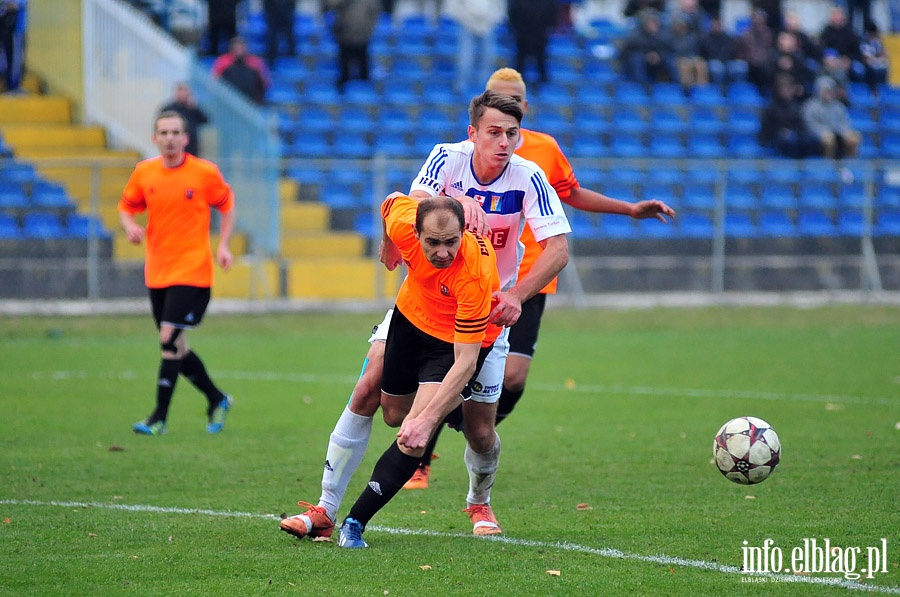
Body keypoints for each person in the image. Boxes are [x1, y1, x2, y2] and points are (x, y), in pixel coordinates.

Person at [279, 90, 571, 543]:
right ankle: (324, 509)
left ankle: (479, 501)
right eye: (493, 132)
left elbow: (558, 249)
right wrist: (397, 240)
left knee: (479, 430)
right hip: (418, 305)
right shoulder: (445, 158)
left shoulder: (529, 177)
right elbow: (407, 205)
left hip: (482, 313)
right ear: (472, 133)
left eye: (512, 133)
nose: (504, 142)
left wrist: (517, 293)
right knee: (369, 390)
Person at [404, 67, 675, 489]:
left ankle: (473, 423)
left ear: (524, 108)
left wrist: (629, 209)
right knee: (448, 368)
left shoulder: (541, 154)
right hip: (469, 283)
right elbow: (421, 201)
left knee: (512, 378)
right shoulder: (461, 154)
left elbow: (572, 193)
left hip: (529, 280)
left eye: (512, 103)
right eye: (495, 98)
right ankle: (424, 452)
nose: (504, 116)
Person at [331, 194, 503, 548]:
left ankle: (354, 523)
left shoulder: (474, 273)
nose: (443, 252)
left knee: (414, 431)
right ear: (415, 233)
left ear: (464, 232)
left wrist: (426, 421)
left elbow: (466, 361)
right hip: (410, 320)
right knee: (394, 415)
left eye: (451, 242)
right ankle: (450, 406)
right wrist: (387, 244)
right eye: (433, 243)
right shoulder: (403, 225)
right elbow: (391, 201)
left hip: (454, 342)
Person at [118, 111, 236, 436]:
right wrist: (130, 226)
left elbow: (227, 204)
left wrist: (223, 245)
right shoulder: (145, 172)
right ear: (155, 138)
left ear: (185, 138)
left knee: (168, 339)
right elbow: (126, 207)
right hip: (157, 272)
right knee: (176, 348)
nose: (169, 138)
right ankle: (217, 398)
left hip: (193, 272)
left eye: (175, 132)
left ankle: (159, 418)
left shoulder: (203, 173)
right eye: (163, 133)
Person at [445, 0, 506, 94]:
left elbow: (498, 6)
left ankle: (486, 86)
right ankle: (461, 86)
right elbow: (457, 5)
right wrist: (465, 18)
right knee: (465, 58)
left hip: (488, 25)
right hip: (467, 24)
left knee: (488, 57)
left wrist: (491, 20)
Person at [758, 73, 821, 159]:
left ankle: (806, 165)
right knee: (790, 141)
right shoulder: (770, 108)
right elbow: (766, 129)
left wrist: (798, 132)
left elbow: (800, 125)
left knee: (810, 140)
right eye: (785, 89)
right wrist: (780, 131)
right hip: (775, 138)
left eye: (789, 89)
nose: (788, 92)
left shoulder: (796, 106)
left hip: (795, 135)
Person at [326, 0, 380, 92]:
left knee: (363, 68)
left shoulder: (369, 2)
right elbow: (330, 5)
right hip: (345, 38)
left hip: (363, 39)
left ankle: (365, 92)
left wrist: (368, 31)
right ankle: (343, 92)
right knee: (344, 68)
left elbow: (375, 14)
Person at [801, 75, 861, 159]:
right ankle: (828, 163)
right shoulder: (810, 106)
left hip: (838, 132)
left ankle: (851, 163)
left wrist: (842, 132)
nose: (828, 93)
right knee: (829, 139)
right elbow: (810, 124)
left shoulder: (838, 106)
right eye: (825, 91)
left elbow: (845, 122)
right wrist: (825, 131)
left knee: (854, 138)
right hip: (819, 134)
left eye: (830, 91)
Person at [618, 9, 677, 84]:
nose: (653, 25)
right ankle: (640, 85)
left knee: (670, 59)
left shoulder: (664, 34)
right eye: (650, 23)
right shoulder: (635, 34)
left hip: (658, 62)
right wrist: (646, 55)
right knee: (637, 58)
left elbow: (670, 49)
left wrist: (659, 56)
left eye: (655, 23)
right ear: (644, 24)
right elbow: (626, 52)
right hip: (639, 62)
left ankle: (675, 86)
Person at [507, 0, 557, 87]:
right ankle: (518, 82)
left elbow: (552, 15)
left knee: (540, 60)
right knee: (521, 60)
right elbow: (513, 14)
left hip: (538, 34)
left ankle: (543, 82)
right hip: (524, 34)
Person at [211, 36, 271, 105]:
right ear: (231, 49)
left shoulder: (257, 62)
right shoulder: (222, 61)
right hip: (228, 102)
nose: (239, 51)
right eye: (236, 48)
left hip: (252, 102)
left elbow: (266, 84)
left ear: (246, 48)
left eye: (241, 48)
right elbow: (214, 82)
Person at [158, 82, 210, 157]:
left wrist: (194, 107)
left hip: (192, 145)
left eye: (185, 91)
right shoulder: (169, 108)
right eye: (180, 91)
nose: (182, 94)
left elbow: (205, 120)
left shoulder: (192, 108)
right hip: (174, 144)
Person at [699, 17, 747, 88]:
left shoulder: (729, 38)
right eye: (715, 24)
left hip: (728, 61)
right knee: (717, 67)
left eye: (719, 24)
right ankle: (719, 89)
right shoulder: (705, 39)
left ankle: (738, 89)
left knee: (741, 66)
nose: (717, 26)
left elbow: (733, 52)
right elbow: (705, 54)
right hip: (712, 61)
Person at [263, 0, 297, 66]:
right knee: (272, 36)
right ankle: (272, 60)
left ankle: (291, 58)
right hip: (273, 11)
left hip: (284, 11)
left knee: (289, 35)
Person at [0, 0, 21, 92]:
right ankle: (9, 85)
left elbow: (17, 6)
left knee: (10, 60)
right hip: (7, 35)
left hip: (9, 35)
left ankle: (10, 85)